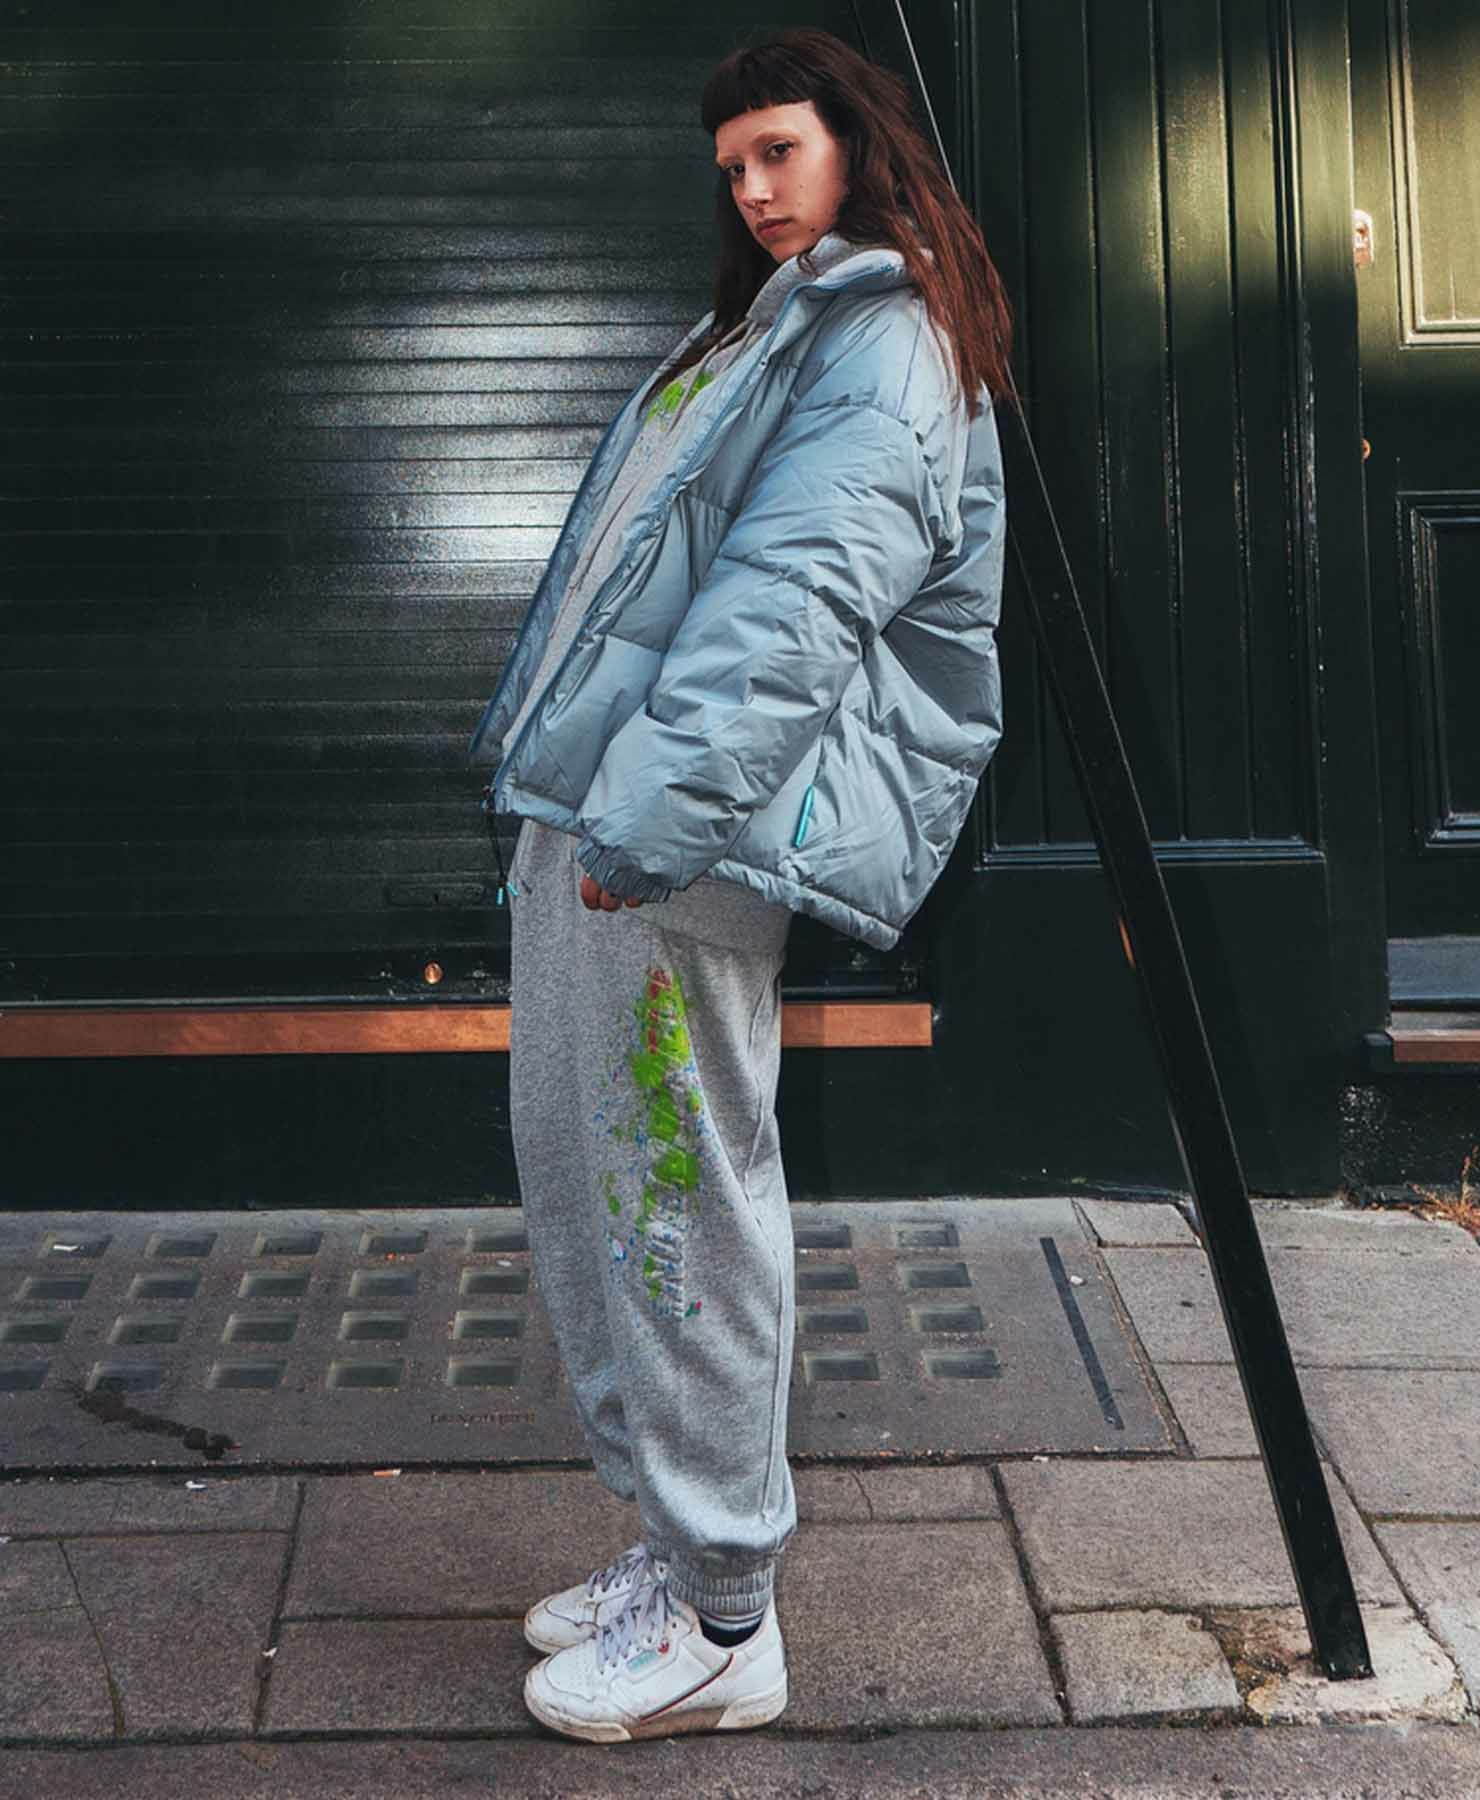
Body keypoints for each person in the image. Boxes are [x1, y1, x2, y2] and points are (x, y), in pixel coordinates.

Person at [466, 25, 1014, 1744]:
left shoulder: (888, 341)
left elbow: (787, 611)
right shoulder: (773, 329)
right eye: (733, 168)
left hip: (686, 837)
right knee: (592, 1183)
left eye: (781, 149)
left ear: (861, 142)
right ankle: (672, 1538)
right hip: (612, 819)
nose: (756, 189)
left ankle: (721, 1619)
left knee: (676, 1196)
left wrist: (645, 824)